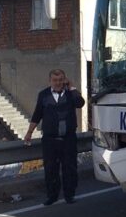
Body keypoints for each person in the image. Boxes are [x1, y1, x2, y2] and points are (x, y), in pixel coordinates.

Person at [24, 69, 85, 206]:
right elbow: (37, 115)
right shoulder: (43, 95)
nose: (57, 83)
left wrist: (72, 87)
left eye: (60, 80)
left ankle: (70, 195)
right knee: (51, 168)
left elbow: (80, 104)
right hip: (50, 139)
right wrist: (29, 132)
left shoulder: (71, 94)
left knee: (69, 168)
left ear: (64, 80)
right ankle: (52, 196)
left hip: (68, 139)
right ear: (50, 81)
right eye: (55, 80)